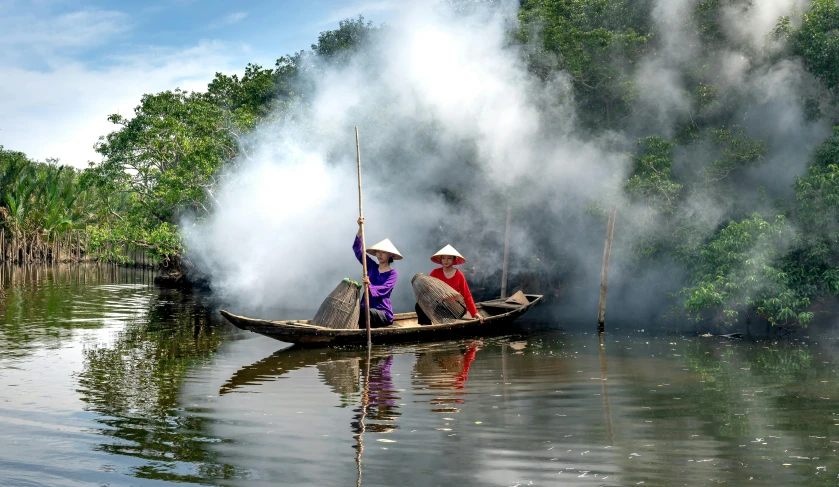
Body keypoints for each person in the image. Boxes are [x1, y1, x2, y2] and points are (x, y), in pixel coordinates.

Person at [416, 244, 483, 325]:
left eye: (449, 258)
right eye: (443, 258)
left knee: (445, 310)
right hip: (440, 305)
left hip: (456, 308)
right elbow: (429, 290)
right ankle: (426, 327)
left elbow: (467, 295)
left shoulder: (459, 275)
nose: (446, 261)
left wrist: (475, 313)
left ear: (454, 260)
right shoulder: (435, 272)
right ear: (441, 260)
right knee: (419, 305)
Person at [353, 217, 400, 328]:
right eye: (378, 252)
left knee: (365, 312)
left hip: (382, 313)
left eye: (383, 252)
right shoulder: (371, 266)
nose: (379, 255)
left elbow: (384, 289)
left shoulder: (393, 273)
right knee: (358, 311)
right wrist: (360, 228)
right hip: (366, 308)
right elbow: (357, 250)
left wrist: (369, 286)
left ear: (390, 255)